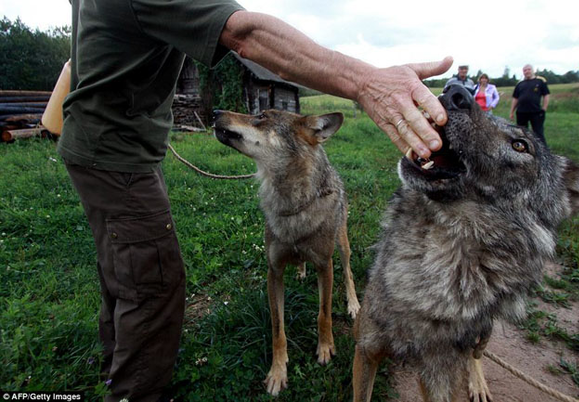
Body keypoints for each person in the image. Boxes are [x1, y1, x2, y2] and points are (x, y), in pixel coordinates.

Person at [59, 1, 453, 401]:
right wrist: (368, 81)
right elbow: (247, 34)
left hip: (101, 147)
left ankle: (114, 369)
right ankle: (132, 390)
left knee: (122, 273)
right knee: (151, 285)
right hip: (117, 155)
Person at [509, 64, 551, 144]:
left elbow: (546, 95)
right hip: (521, 112)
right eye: (525, 70)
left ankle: (544, 152)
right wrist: (512, 111)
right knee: (521, 133)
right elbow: (515, 98)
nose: (527, 71)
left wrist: (544, 108)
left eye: (528, 69)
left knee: (538, 133)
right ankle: (524, 149)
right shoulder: (519, 84)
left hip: (536, 112)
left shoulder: (540, 81)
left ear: (532, 70)